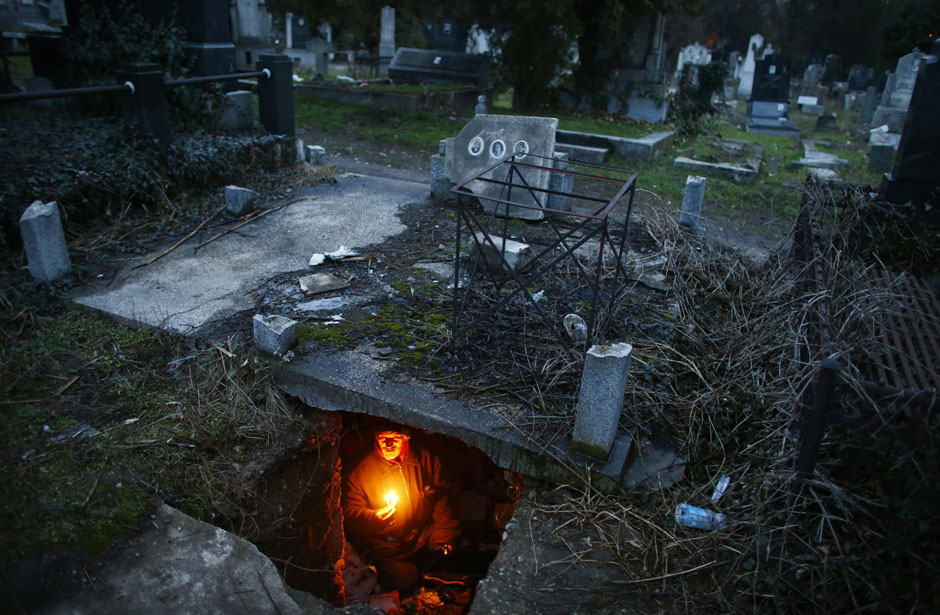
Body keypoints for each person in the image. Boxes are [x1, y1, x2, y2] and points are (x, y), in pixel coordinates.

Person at [343, 423, 460, 592]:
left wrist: (444, 537)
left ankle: (430, 564)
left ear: (406, 438)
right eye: (384, 438)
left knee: (450, 556)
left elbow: (441, 500)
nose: (389, 444)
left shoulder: (425, 459)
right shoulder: (361, 471)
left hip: (423, 534)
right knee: (404, 580)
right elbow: (351, 512)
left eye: (395, 438)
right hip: (392, 547)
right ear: (376, 437)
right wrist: (374, 518)